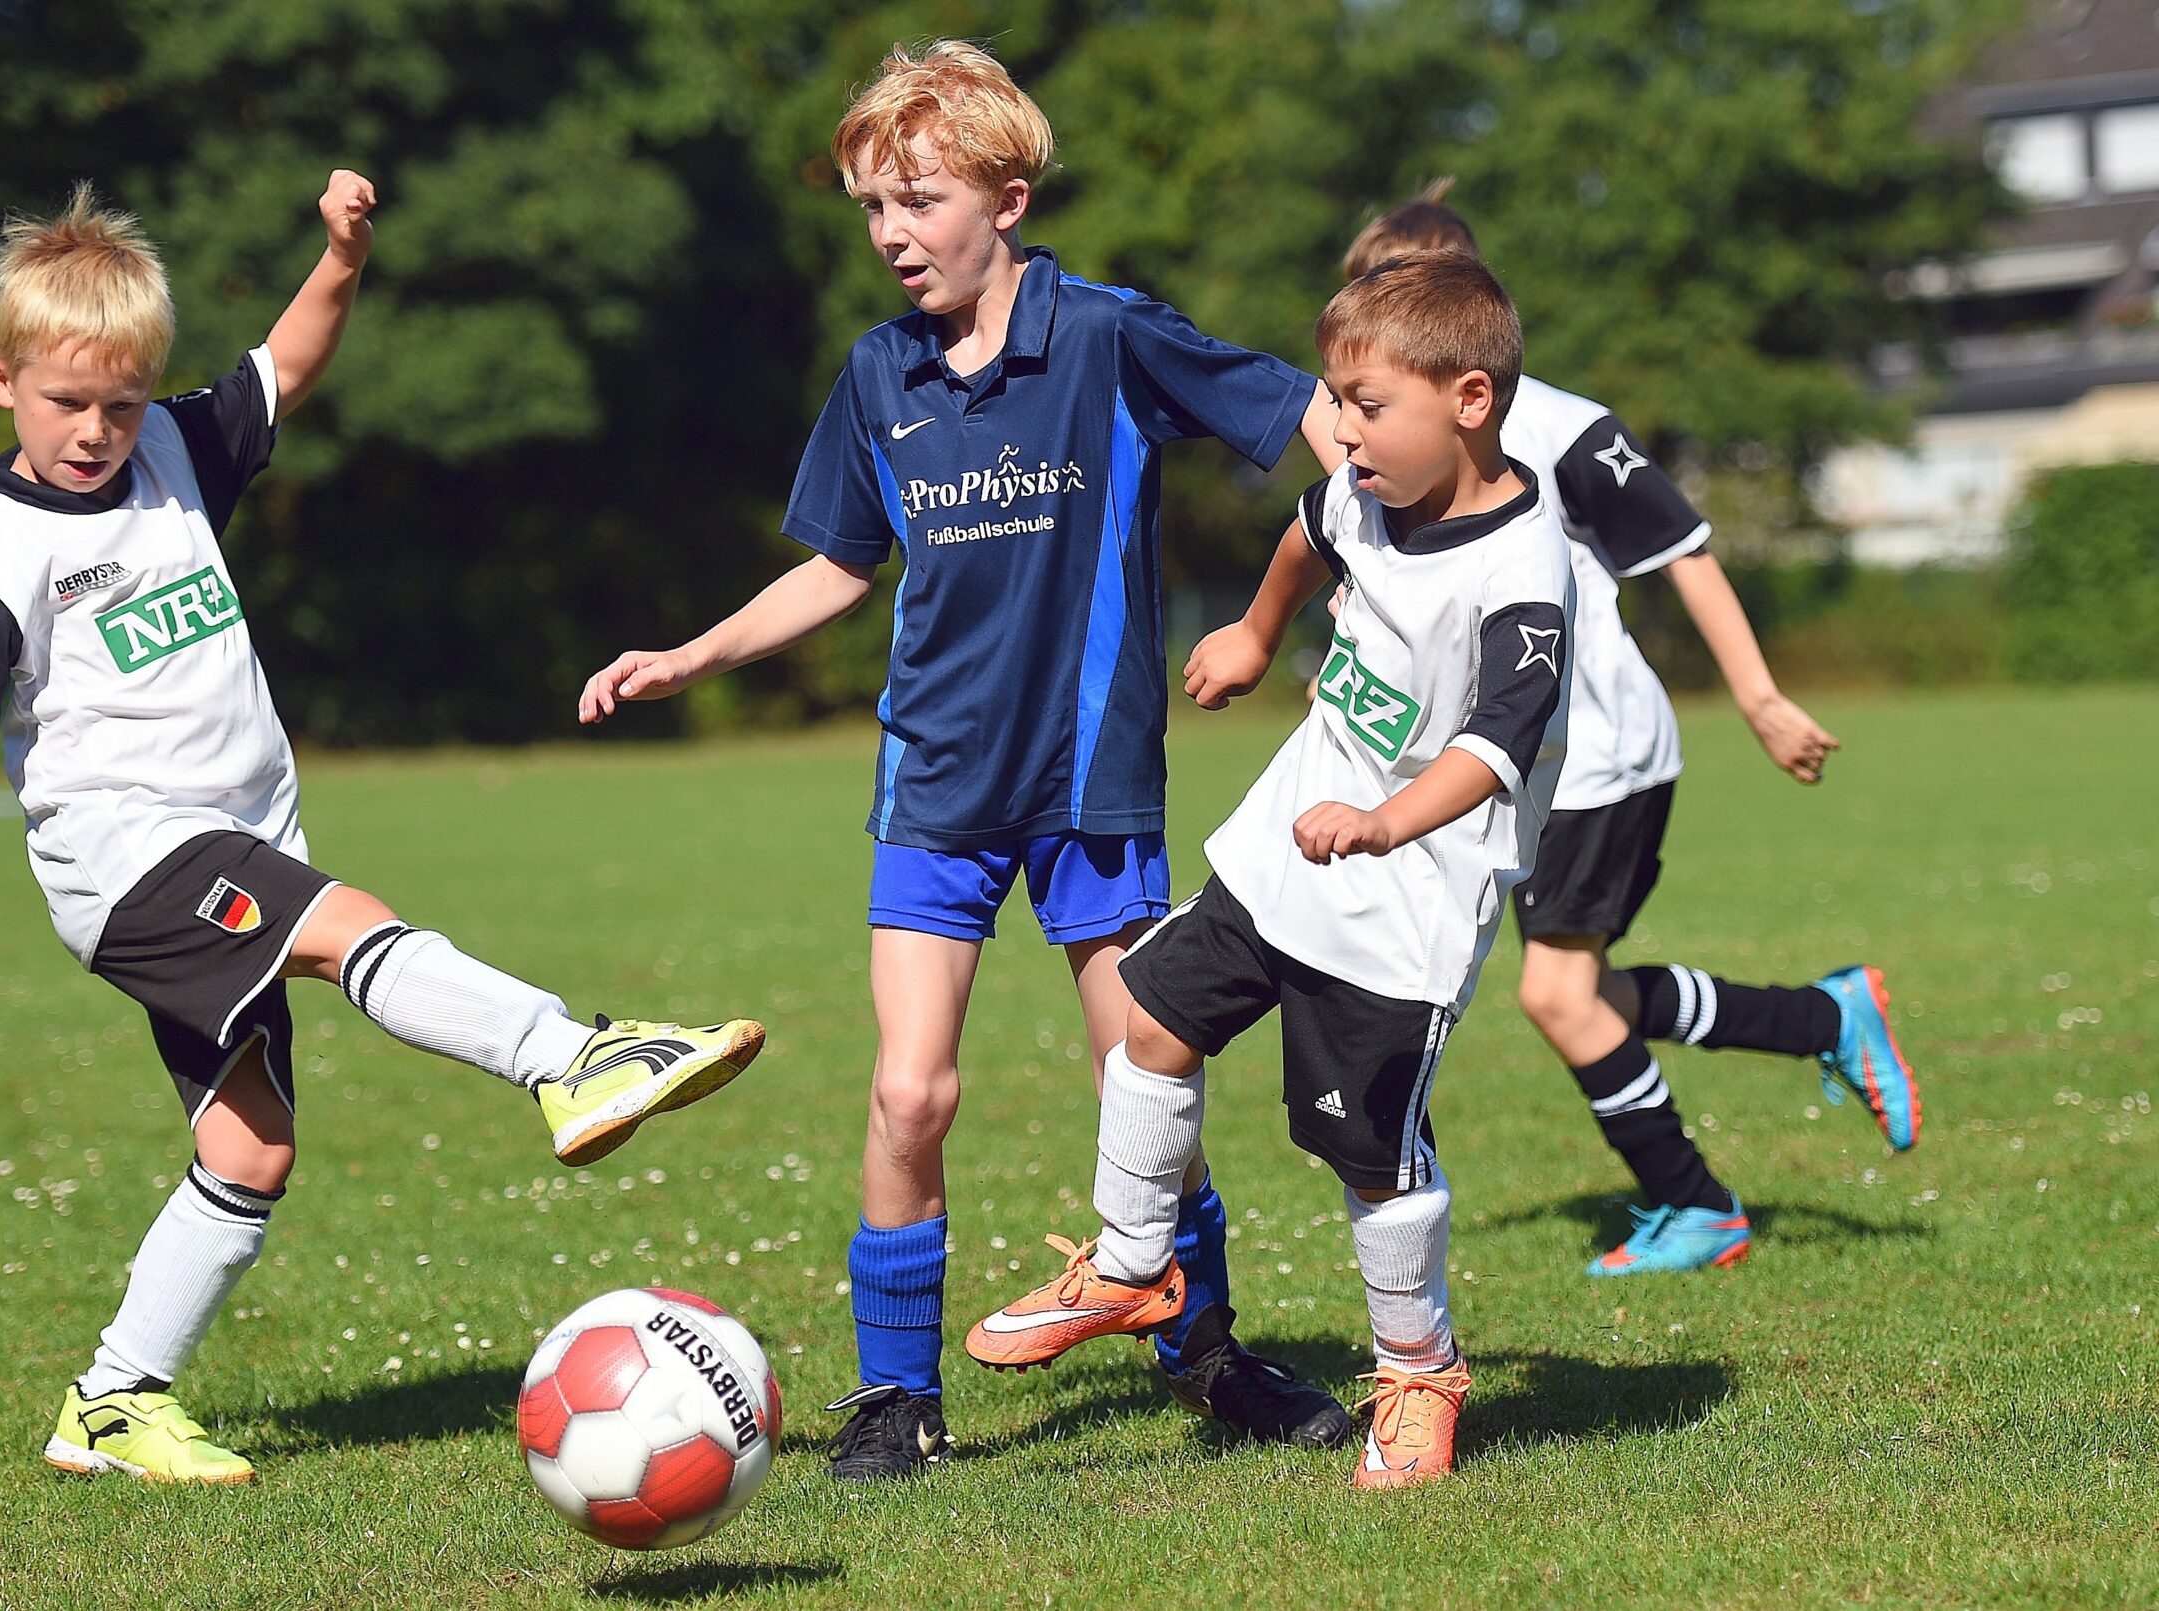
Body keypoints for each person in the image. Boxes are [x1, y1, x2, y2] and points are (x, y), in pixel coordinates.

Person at [0, 174, 762, 1483]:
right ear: (0, 380)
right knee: (345, 926)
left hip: (232, 846)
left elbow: (285, 360)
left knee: (251, 1147)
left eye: (121, 403)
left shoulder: (175, 455)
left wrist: (342, 257)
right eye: (69, 402)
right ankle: (568, 1054)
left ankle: (113, 1400)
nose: (97, 429)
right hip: (131, 862)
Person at [580, 41, 1347, 1479]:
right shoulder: (879, 374)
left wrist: (1367, 552)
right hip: (934, 780)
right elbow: (838, 565)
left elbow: (1311, 415)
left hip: (1090, 783)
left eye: (917, 200)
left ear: (1005, 195)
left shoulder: (1110, 335)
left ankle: (1206, 1349)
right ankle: (893, 1399)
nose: (892, 235)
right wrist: (692, 653)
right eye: (873, 208)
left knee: (1145, 1077)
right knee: (908, 1089)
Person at [969, 250, 1574, 1490]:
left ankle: (1417, 1377)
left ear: (1470, 400)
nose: (1339, 434)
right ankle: (1136, 1263)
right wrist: (1253, 630)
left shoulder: (1521, 568)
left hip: (1403, 902)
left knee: (1365, 1156)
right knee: (1149, 1017)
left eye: (1367, 406)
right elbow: (1309, 537)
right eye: (1336, 403)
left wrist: (1386, 821)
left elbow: (1498, 740)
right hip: (1280, 848)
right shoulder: (1359, 491)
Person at [1329, 185, 1918, 1277]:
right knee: (1575, 988)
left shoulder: (1559, 428)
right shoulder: (1369, 441)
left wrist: (1758, 698)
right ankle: (1821, 1019)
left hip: (1594, 753)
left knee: (1556, 993)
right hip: (1499, 763)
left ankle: (1698, 1207)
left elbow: (1681, 548)